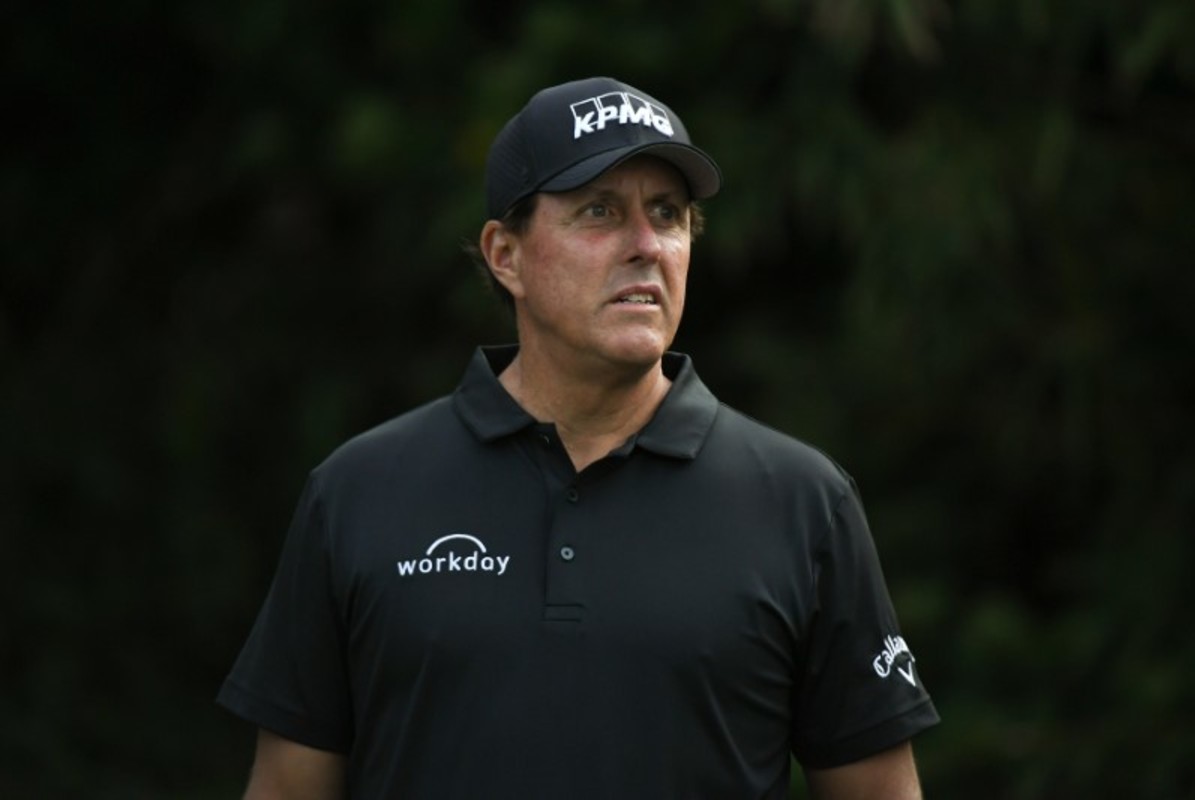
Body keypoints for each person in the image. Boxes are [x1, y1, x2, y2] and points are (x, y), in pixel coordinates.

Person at [218, 76, 939, 799]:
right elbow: (287, 789)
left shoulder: (802, 502)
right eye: (600, 211)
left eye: (668, 214)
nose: (646, 245)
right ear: (506, 255)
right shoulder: (360, 491)